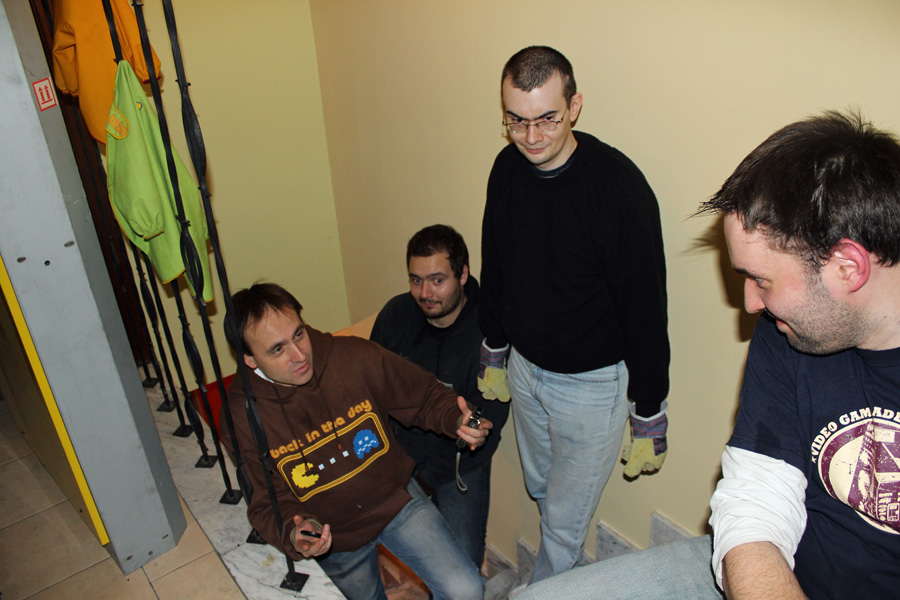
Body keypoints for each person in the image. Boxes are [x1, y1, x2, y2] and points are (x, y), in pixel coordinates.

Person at [518, 110, 900, 600]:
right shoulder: (787, 334)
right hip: (778, 570)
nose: (750, 304)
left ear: (848, 266)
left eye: (762, 279)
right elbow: (754, 502)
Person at [479, 45, 671, 585]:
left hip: (591, 388)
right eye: (516, 121)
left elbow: (645, 305)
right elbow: (495, 261)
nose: (531, 136)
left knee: (564, 527)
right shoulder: (506, 169)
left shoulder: (618, 189)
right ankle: (568, 585)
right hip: (524, 370)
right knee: (542, 489)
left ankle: (541, 591)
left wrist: (649, 407)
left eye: (547, 118)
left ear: (575, 106)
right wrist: (494, 347)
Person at [221, 282, 491, 600]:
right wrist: (297, 532)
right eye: (278, 349)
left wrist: (460, 419)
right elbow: (267, 501)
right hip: (332, 537)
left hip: (396, 501)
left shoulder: (352, 356)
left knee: (466, 590)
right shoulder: (242, 416)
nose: (300, 355)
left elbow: (424, 396)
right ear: (250, 359)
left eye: (298, 334)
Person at [369, 224, 510, 569]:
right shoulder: (395, 315)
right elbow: (370, 389)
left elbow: (485, 419)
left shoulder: (492, 333)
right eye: (416, 280)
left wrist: (427, 480)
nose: (424, 293)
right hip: (398, 453)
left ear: (463, 274)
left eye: (437, 280)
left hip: (460, 464)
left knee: (462, 572)